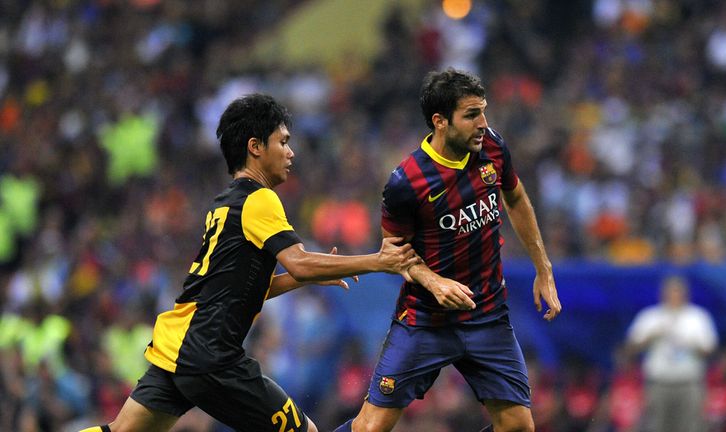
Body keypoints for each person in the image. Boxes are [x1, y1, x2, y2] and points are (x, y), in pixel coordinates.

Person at [79, 93, 421, 432]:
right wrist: (378, 261)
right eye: (283, 142)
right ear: (255, 146)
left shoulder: (225, 203)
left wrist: (305, 278)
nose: (291, 153)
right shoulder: (260, 200)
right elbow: (299, 261)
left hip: (177, 346)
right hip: (210, 356)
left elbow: (237, 290)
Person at [334, 68, 562, 432]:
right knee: (370, 428)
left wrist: (543, 268)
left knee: (519, 426)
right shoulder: (406, 182)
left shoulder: (492, 148)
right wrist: (434, 282)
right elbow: (394, 253)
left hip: (487, 313)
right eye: (471, 115)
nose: (483, 123)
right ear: (440, 121)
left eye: (483, 111)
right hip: (426, 320)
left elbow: (515, 197)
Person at [626, 274, 718, 432]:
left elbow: (710, 350)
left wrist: (691, 344)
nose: (674, 295)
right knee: (657, 427)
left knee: (691, 427)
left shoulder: (697, 317)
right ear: (663, 293)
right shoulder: (651, 316)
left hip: (689, 383)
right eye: (670, 291)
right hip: (659, 384)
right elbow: (630, 347)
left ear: (685, 294)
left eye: (678, 291)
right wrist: (651, 337)